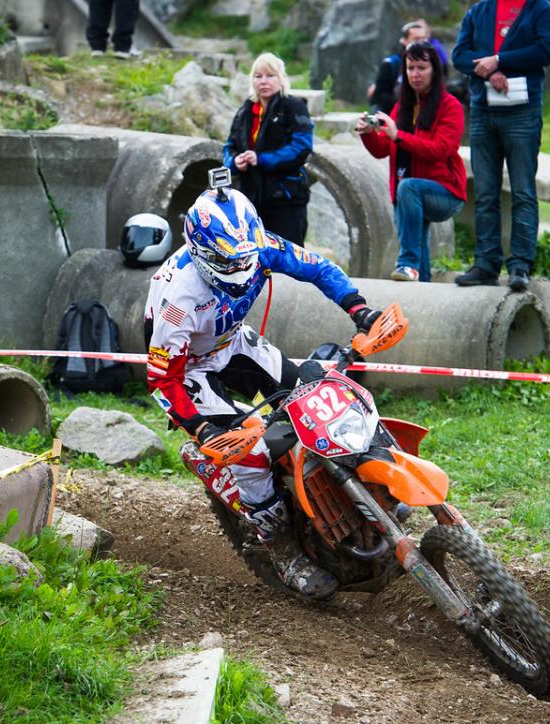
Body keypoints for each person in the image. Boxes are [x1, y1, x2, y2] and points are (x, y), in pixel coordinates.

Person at [145, 184, 382, 600]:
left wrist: (358, 307)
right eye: (226, 260)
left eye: (245, 257)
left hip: (234, 341)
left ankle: (363, 485)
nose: (239, 268)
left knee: (319, 396)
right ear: (200, 251)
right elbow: (163, 379)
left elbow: (317, 267)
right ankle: (280, 548)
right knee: (250, 453)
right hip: (191, 368)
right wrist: (201, 430)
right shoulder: (177, 301)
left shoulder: (256, 246)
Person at [451, 0, 550, 292]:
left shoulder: (542, 9)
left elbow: (547, 50)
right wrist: (489, 71)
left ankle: (520, 264)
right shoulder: (479, 10)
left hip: (523, 110)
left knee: (523, 190)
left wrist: (500, 60)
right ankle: (486, 263)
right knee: (485, 192)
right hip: (483, 109)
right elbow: (460, 56)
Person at [358, 40, 467, 283]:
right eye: (410, 68)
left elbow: (441, 150)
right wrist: (368, 134)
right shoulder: (402, 107)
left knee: (408, 188)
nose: (415, 74)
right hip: (408, 195)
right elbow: (382, 150)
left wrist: (399, 135)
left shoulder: (451, 106)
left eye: (421, 68)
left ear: (435, 70)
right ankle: (424, 290)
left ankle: (407, 263)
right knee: (418, 237)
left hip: (446, 192)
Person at [222, 53, 313, 245]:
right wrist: (235, 162)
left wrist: (261, 159)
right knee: (250, 257)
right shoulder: (245, 111)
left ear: (281, 79)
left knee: (288, 259)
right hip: (250, 199)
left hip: (285, 198)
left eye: (270, 75)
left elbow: (301, 147)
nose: (264, 81)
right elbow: (229, 146)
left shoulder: (294, 107)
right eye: (258, 76)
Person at [368, 21, 430, 114]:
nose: (421, 43)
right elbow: (380, 95)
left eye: (424, 39)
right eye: (416, 39)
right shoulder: (391, 63)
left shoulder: (433, 62)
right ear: (404, 41)